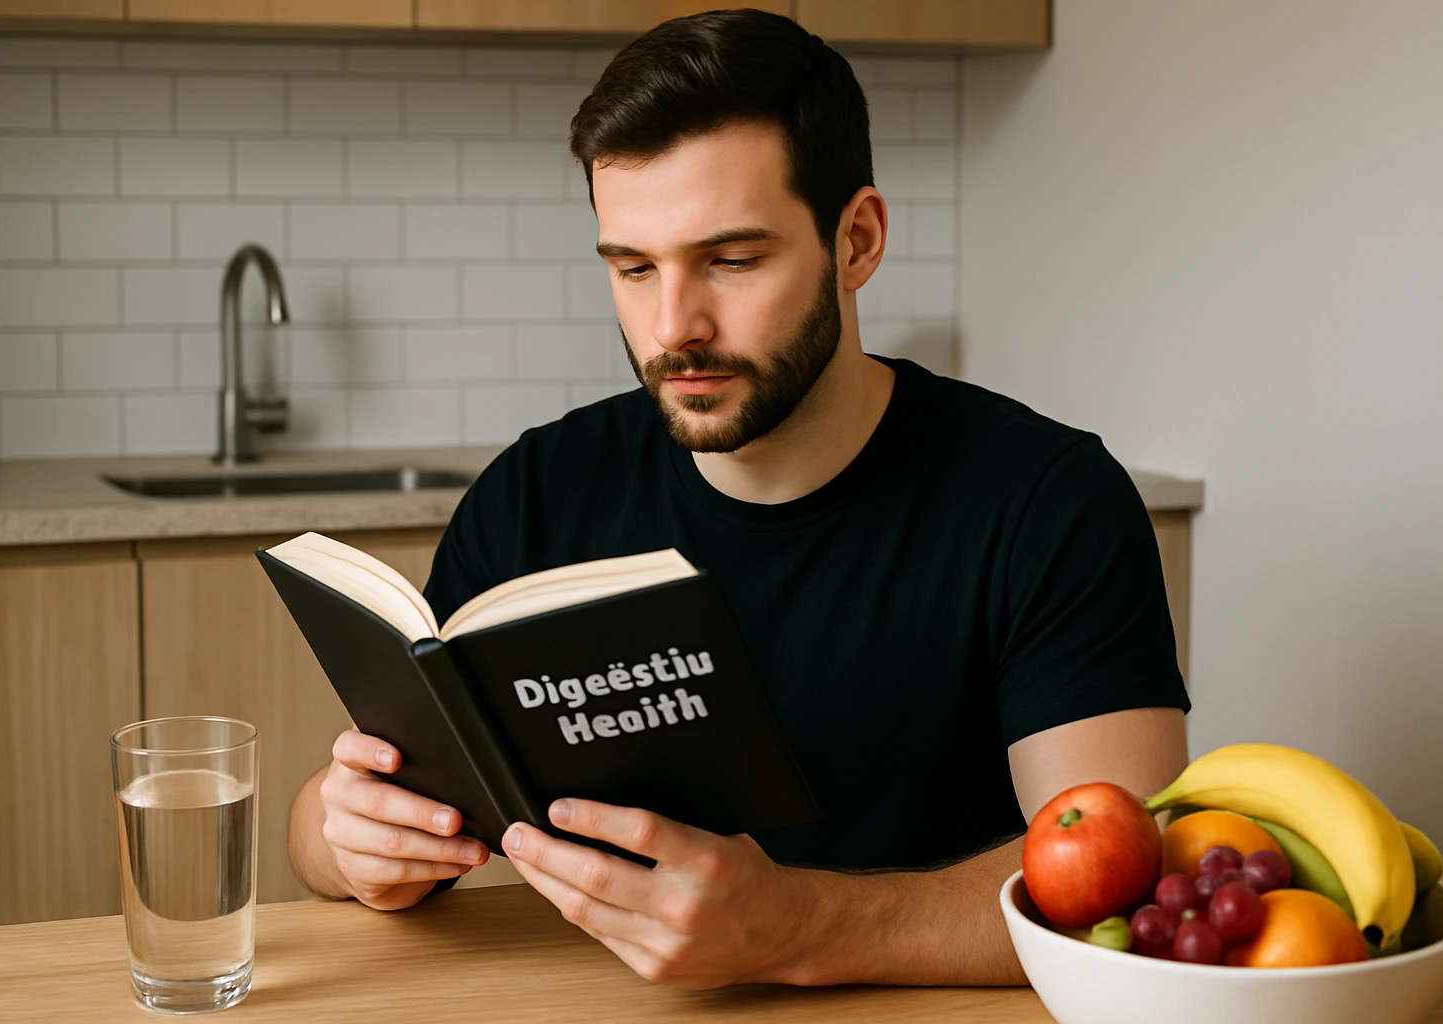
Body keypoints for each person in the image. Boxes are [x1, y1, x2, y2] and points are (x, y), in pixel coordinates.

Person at [287, 8, 1190, 989]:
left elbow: (1125, 893)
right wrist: (349, 844)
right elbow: (332, 829)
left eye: (731, 260)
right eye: (633, 268)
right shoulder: (534, 496)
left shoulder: (1049, 503)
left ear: (856, 240)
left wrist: (802, 927)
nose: (675, 326)